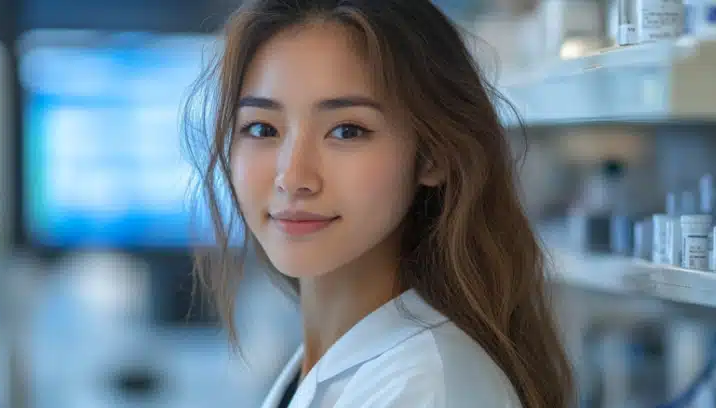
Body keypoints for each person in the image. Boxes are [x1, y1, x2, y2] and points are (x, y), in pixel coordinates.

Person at [183, 0, 574, 407]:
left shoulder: (426, 389)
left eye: (347, 131)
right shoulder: (330, 368)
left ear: (434, 155)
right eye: (262, 128)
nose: (293, 177)